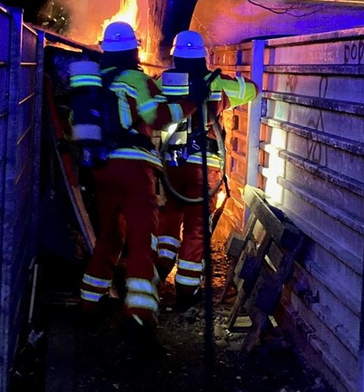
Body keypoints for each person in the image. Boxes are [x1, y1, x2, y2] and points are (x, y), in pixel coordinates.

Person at [75, 21, 194, 350]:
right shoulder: (136, 80)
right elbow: (157, 117)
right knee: (143, 240)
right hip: (134, 168)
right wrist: (190, 103)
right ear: (134, 49)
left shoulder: (92, 82)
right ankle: (139, 317)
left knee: (110, 235)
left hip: (100, 167)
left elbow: (78, 123)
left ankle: (88, 303)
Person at [156, 30, 258, 310]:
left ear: (175, 57)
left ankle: (159, 270)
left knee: (170, 216)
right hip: (205, 166)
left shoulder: (162, 81)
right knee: (197, 228)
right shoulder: (218, 84)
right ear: (203, 56)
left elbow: (152, 110)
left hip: (173, 164)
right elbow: (253, 88)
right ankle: (186, 291)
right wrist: (223, 77)